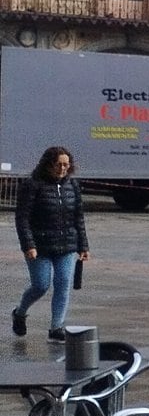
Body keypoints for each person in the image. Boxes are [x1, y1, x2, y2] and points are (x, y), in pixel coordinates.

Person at [13, 144, 87, 340]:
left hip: (67, 245)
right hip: (40, 246)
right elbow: (22, 218)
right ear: (47, 165)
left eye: (66, 165)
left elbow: (78, 217)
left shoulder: (72, 185)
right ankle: (20, 312)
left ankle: (56, 328)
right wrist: (29, 245)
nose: (63, 169)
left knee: (63, 284)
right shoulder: (32, 185)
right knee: (40, 285)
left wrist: (83, 246)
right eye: (58, 164)